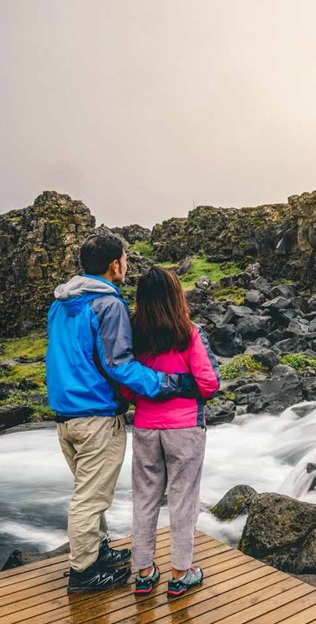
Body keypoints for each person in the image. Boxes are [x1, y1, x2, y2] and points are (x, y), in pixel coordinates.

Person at [46, 233, 196, 593]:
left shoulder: (61, 304)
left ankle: (97, 552)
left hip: (65, 415)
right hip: (96, 415)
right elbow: (119, 366)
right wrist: (171, 384)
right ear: (115, 264)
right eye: (125, 259)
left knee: (88, 488)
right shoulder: (107, 306)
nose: (127, 265)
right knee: (91, 497)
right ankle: (84, 572)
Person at [125, 268, 220, 597]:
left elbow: (126, 386)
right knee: (183, 500)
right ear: (175, 295)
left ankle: (144, 571)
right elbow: (209, 384)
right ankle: (180, 573)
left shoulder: (132, 336)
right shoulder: (188, 333)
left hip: (146, 429)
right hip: (184, 429)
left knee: (145, 499)